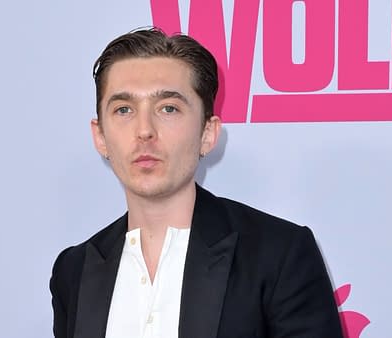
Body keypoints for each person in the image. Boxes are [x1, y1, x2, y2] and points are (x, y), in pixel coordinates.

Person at [50, 28, 344, 338]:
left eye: (168, 108)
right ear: (100, 136)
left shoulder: (279, 255)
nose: (145, 130)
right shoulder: (74, 270)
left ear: (207, 133)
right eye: (124, 110)